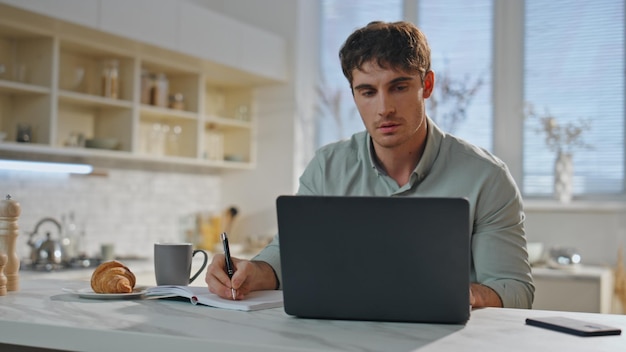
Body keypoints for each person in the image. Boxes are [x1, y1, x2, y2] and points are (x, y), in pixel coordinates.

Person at [205, 21, 534, 309]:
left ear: (427, 86)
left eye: (399, 87)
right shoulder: (327, 167)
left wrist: (460, 294)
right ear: (354, 96)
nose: (384, 108)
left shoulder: (486, 177)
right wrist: (250, 273)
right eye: (367, 91)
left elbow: (515, 289)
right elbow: (288, 256)